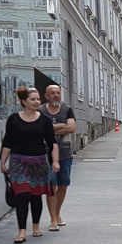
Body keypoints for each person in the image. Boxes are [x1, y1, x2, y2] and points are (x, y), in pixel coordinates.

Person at [0, 87, 59, 244]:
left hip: (39, 162)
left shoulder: (44, 120)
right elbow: (8, 143)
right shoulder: (13, 119)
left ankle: (36, 226)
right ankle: (22, 232)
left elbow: (52, 142)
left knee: (36, 196)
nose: (36, 102)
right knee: (22, 195)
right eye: (33, 99)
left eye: (38, 99)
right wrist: (2, 162)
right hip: (18, 162)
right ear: (23, 102)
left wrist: (55, 161)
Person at [40, 85, 76, 231]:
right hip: (45, 153)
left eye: (58, 93)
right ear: (46, 96)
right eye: (52, 93)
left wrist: (49, 129)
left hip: (65, 152)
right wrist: (61, 126)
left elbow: (72, 128)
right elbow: (39, 129)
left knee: (62, 185)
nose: (56, 95)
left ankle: (57, 212)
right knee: (51, 185)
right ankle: (53, 219)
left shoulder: (67, 110)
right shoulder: (40, 111)